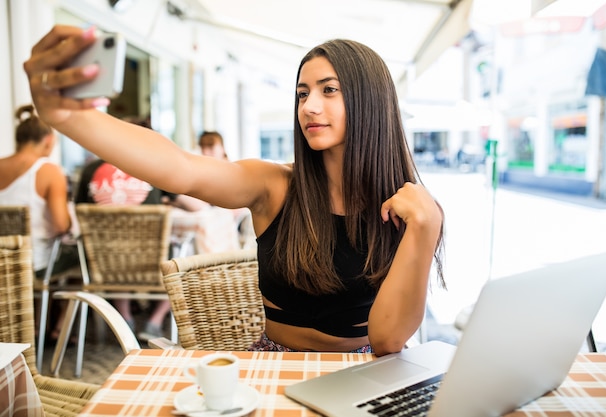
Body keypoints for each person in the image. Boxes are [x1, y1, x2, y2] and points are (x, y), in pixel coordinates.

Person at [24, 26, 445, 356]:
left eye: (328, 90)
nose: (309, 106)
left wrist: (426, 228)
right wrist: (68, 118)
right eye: (302, 94)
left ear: (370, 101)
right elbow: (180, 169)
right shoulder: (273, 185)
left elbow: (388, 340)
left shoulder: (410, 210)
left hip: (365, 367)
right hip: (275, 363)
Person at [73, 115, 205, 341]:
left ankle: (124, 317)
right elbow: (197, 206)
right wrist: (171, 199)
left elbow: (78, 208)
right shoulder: (153, 167)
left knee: (114, 246)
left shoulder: (90, 170)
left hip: (104, 264)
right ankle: (154, 322)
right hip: (152, 264)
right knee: (184, 254)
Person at [0, 104, 78, 343]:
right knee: (81, 264)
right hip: (32, 264)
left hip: (3, 261)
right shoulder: (49, 171)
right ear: (47, 140)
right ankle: (57, 331)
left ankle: (32, 326)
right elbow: (61, 225)